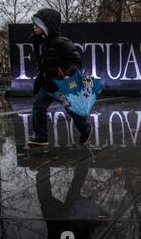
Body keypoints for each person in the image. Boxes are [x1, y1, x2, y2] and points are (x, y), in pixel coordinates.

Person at [27, 8, 92, 146]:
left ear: (48, 26)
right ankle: (41, 137)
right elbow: (44, 63)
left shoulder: (62, 42)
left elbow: (76, 61)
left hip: (62, 85)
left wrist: (68, 74)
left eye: (38, 24)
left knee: (73, 111)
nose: (34, 27)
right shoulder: (41, 43)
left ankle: (85, 129)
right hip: (48, 84)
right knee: (38, 107)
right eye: (34, 24)